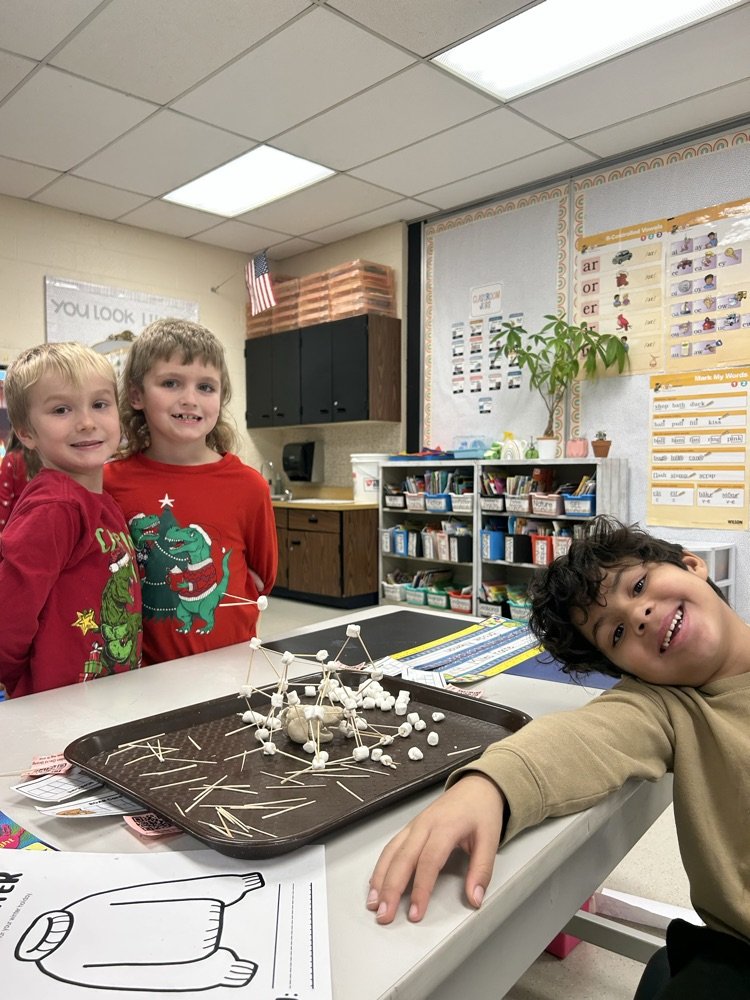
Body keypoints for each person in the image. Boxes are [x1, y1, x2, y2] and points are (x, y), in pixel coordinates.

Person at [368, 517, 750, 998]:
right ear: (625, 671)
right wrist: (488, 784)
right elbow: (586, 735)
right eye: (614, 635)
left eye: (637, 584)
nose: (637, 616)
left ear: (691, 565)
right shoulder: (670, 707)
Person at [104, 318, 277, 665]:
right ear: (136, 394)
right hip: (143, 677)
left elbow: (262, 579)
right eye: (171, 383)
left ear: (221, 397)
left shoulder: (248, 486)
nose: (190, 399)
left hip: (235, 672)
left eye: (206, 387)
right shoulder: (109, 482)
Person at [0, 343, 142, 698]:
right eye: (61, 409)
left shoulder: (102, 501)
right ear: (26, 432)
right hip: (57, 709)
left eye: (99, 404)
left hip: (104, 698)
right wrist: (28, 684)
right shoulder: (55, 507)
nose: (87, 422)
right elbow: (8, 616)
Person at [0, 429, 36, 531]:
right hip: (39, 523)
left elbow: (4, 501)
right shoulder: (48, 460)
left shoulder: (13, 460)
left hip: (15, 528)